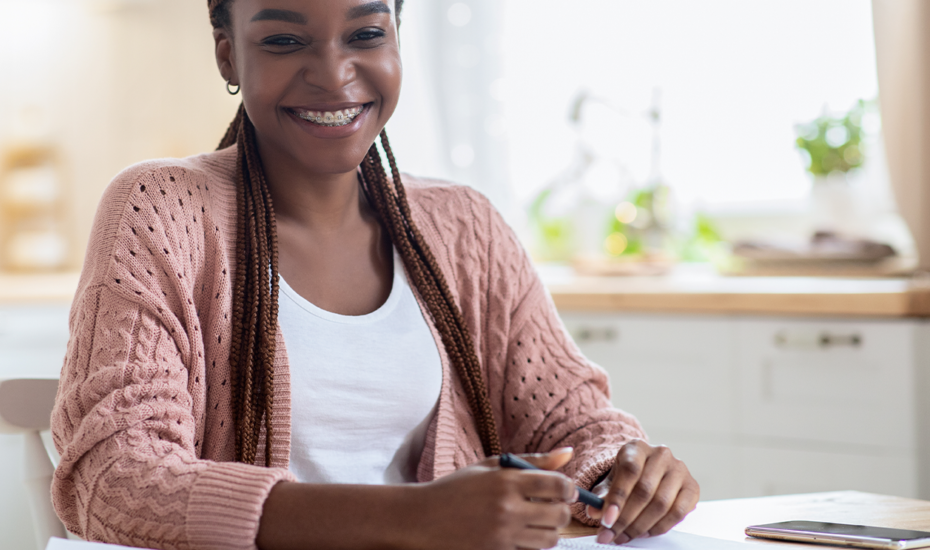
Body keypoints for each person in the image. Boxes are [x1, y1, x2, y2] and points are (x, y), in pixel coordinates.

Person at [50, 0, 700, 548]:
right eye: (283, 40)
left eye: (366, 34)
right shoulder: (161, 209)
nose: (334, 75)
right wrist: (417, 518)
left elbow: (576, 423)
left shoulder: (464, 224)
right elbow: (115, 477)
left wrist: (624, 470)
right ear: (228, 56)